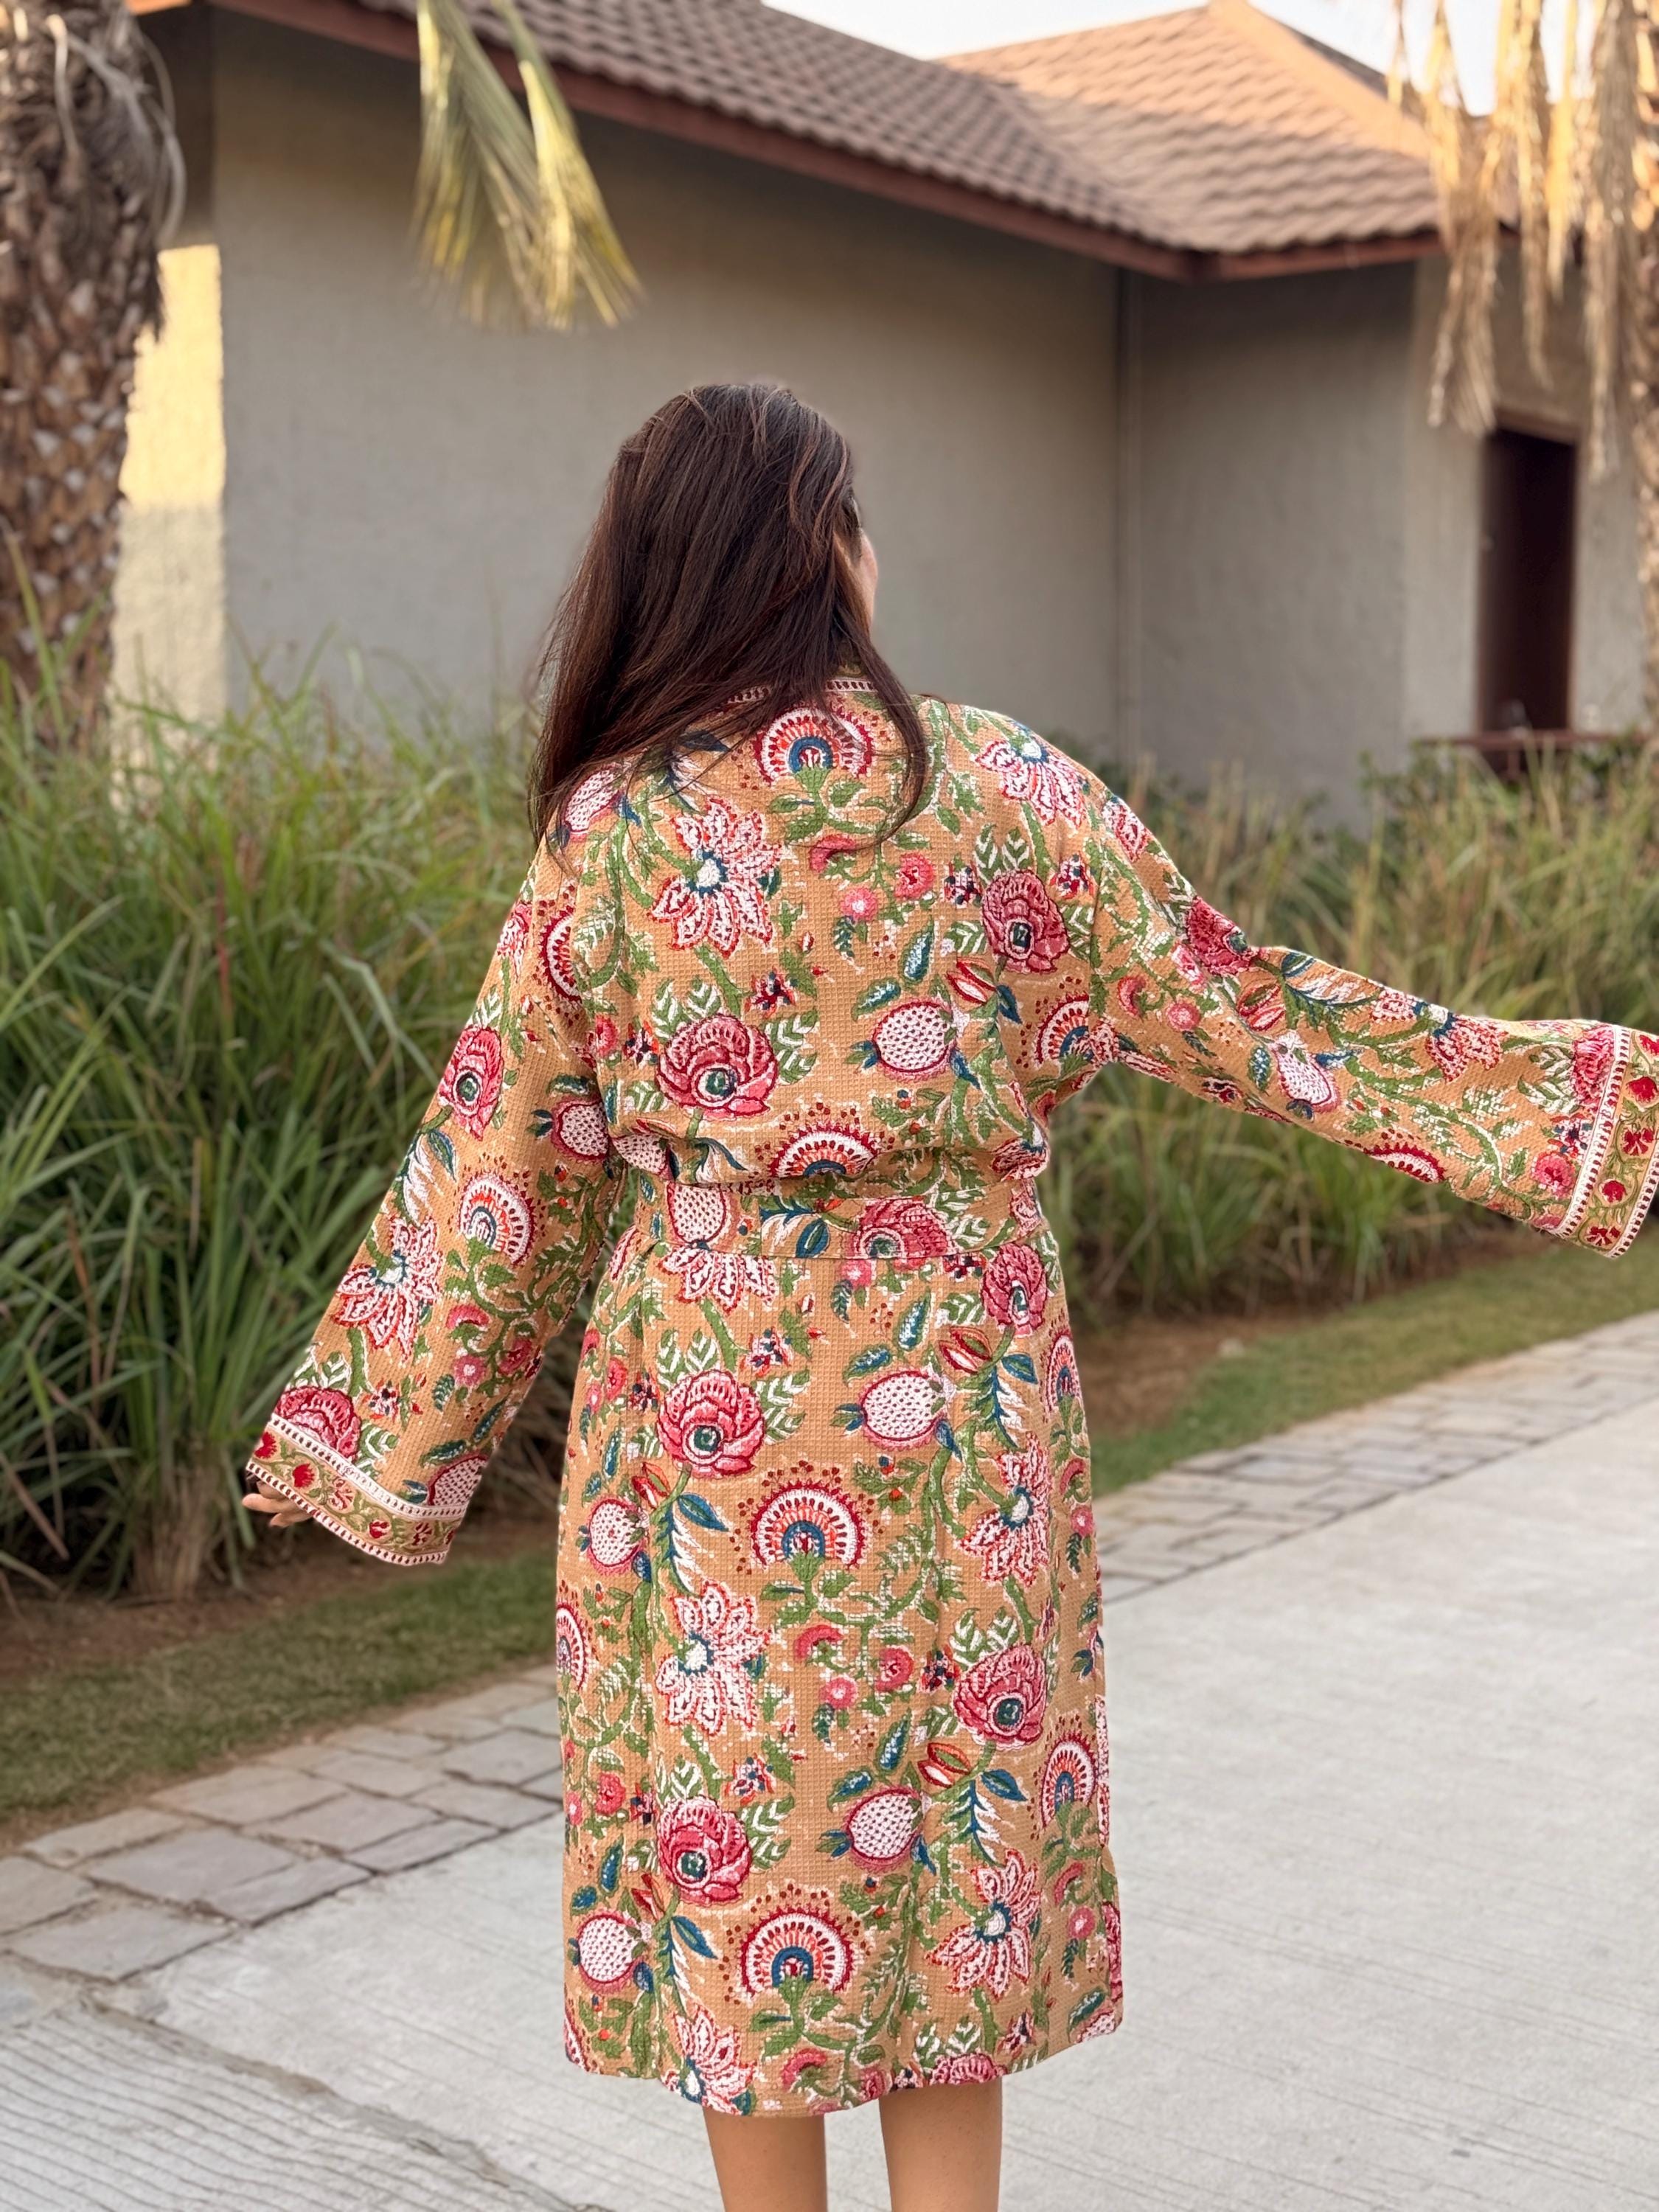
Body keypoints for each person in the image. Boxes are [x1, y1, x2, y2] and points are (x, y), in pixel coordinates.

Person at [243, 382, 1658, 2212]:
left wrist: (376, 1438)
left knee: (745, 1851)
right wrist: (1575, 1111)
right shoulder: (997, 791)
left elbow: (504, 1167)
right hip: (962, 1401)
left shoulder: (613, 832)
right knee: (950, 1852)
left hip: (709, 1422)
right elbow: (1248, 1016)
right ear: (821, 547)